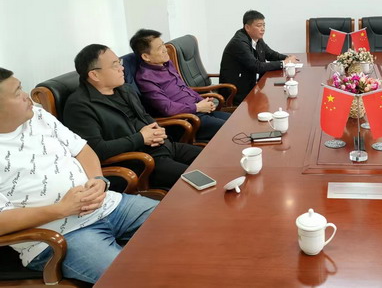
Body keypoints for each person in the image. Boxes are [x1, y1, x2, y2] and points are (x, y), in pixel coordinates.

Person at [0, 67, 157, 284]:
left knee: (181, 226)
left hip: (108, 206)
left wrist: (98, 180)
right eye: (18, 92)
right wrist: (62, 209)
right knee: (132, 279)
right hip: (62, 235)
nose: (27, 96)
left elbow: (82, 149)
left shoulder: (37, 115)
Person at [63, 44, 201, 190]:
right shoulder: (79, 106)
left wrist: (158, 131)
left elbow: (144, 116)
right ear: (94, 75)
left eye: (120, 63)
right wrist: (141, 138)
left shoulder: (125, 89)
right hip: (141, 162)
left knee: (211, 161)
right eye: (115, 65)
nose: (122, 68)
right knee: (197, 180)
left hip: (164, 147)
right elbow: (97, 149)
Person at [130, 29, 231, 141]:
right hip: (185, 120)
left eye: (163, 44)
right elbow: (167, 108)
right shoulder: (145, 79)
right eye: (159, 48)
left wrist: (203, 101)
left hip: (198, 111)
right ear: (146, 56)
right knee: (232, 129)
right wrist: (197, 107)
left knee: (236, 120)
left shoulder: (166, 64)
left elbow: (184, 87)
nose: (165, 49)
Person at [220, 10, 299, 104]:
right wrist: (283, 63)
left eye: (264, 25)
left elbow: (270, 54)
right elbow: (256, 66)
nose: (263, 29)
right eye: (259, 25)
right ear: (247, 27)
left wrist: (287, 58)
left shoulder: (257, 39)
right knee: (276, 100)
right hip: (236, 92)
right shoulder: (239, 42)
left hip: (253, 86)